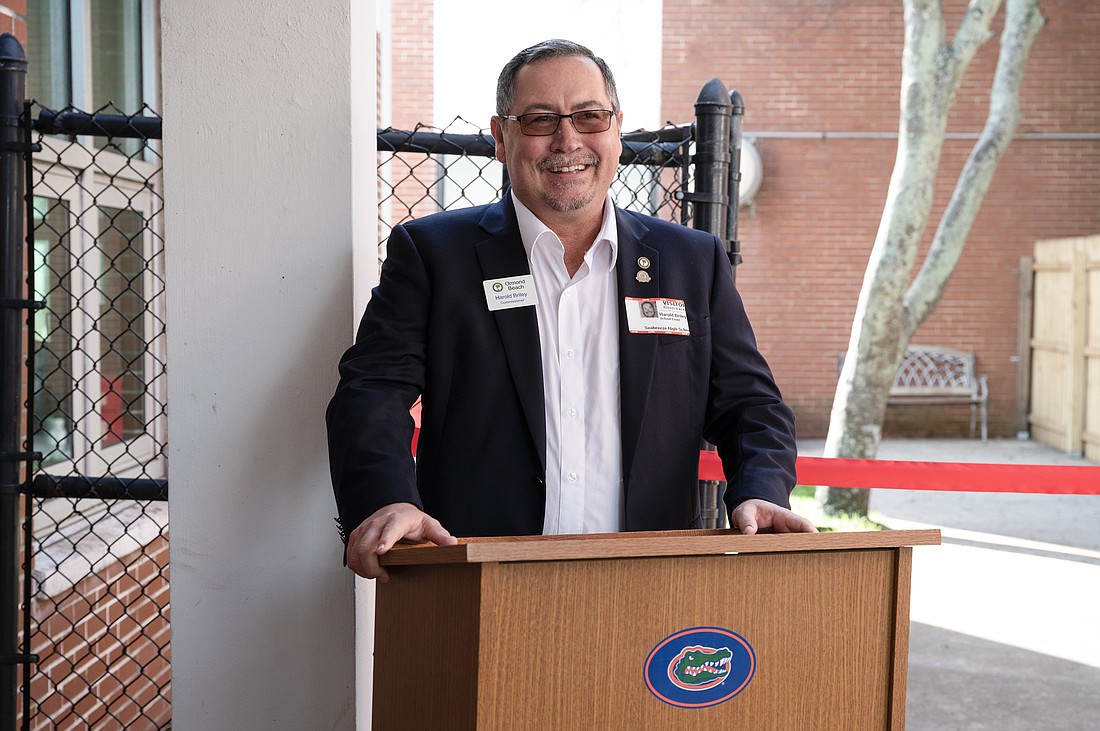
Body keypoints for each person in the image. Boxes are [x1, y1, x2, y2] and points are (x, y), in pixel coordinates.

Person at [327, 39, 815, 581]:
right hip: (478, 582)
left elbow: (751, 404)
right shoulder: (434, 255)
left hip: (650, 580)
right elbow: (371, 390)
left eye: (589, 117)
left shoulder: (690, 261)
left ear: (616, 129)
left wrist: (762, 491)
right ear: (500, 137)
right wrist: (386, 500)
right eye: (539, 120)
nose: (568, 140)